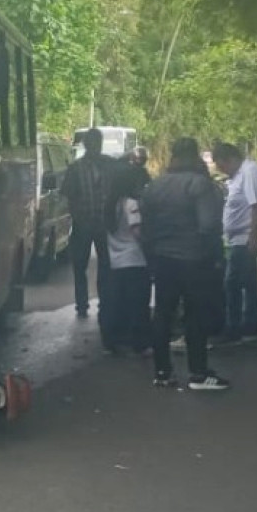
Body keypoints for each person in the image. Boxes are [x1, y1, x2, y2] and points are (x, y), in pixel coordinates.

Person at [141, 137, 229, 390]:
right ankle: (199, 374)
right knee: (195, 316)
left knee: (162, 314)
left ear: (173, 156)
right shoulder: (200, 185)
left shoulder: (155, 186)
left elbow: (146, 227)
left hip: (162, 260)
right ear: (194, 156)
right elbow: (209, 226)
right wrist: (215, 259)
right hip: (194, 260)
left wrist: (152, 256)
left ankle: (162, 372)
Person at [211, 142, 257, 345]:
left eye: (221, 165)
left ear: (229, 159)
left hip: (245, 238)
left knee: (234, 283)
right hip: (237, 239)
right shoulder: (238, 176)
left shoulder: (250, 172)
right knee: (245, 282)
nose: (222, 170)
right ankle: (250, 322)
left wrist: (254, 238)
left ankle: (237, 326)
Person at [62, 127, 115, 319]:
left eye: (98, 143)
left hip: (104, 223)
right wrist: (77, 216)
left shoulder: (109, 165)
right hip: (83, 224)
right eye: (92, 143)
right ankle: (82, 305)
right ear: (86, 145)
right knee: (79, 265)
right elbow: (68, 195)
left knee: (106, 265)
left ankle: (106, 301)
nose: (95, 147)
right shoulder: (75, 168)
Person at [101, 161, 152, 356]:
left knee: (117, 302)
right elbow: (137, 231)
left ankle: (112, 341)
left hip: (116, 259)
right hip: (135, 258)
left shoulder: (110, 203)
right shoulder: (131, 203)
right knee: (138, 305)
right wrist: (150, 244)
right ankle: (140, 343)